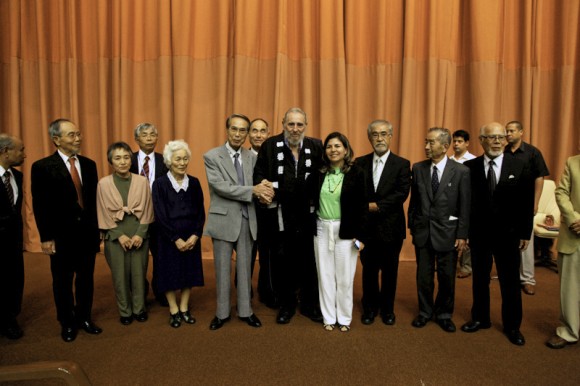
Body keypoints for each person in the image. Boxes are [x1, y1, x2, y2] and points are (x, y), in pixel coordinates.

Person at [461, 122, 533, 346]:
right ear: (481, 140)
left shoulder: (520, 165)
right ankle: (480, 318)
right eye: (491, 137)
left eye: (501, 137)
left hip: (509, 235)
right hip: (480, 234)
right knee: (480, 280)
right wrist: (465, 233)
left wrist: (525, 232)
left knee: (510, 282)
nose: (497, 141)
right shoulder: (469, 167)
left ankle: (513, 326)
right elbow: (466, 203)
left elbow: (526, 202)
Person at [31, 118, 102, 342]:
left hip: (87, 234)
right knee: (62, 281)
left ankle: (84, 317)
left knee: (86, 279)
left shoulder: (89, 164)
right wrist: (46, 237)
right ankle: (67, 322)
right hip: (61, 236)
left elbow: (93, 202)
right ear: (56, 139)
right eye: (71, 135)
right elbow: (40, 205)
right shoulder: (42, 167)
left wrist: (98, 230)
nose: (78, 138)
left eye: (78, 134)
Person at [254, 107, 324, 324]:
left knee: (308, 261)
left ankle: (310, 304)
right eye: (291, 124)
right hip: (281, 215)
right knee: (282, 261)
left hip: (308, 216)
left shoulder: (316, 146)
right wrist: (264, 190)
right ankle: (286, 305)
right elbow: (259, 176)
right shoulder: (269, 146)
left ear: (306, 125)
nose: (295, 129)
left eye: (299, 124)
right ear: (283, 123)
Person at [204, 114, 273, 330]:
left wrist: (266, 190)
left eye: (243, 130)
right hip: (224, 219)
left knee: (245, 270)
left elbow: (261, 181)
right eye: (234, 129)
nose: (238, 134)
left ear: (247, 134)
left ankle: (246, 311)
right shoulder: (212, 156)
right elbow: (221, 187)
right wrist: (253, 190)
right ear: (226, 130)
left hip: (247, 219)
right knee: (222, 269)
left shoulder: (253, 157)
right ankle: (222, 314)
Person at [408, 128, 471, 333]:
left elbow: (465, 205)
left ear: (445, 146)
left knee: (446, 277)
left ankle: (444, 314)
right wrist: (413, 226)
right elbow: (414, 202)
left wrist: (462, 234)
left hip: (448, 233)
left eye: (431, 142)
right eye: (426, 142)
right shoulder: (418, 168)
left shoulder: (461, 171)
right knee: (423, 277)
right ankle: (425, 312)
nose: (426, 146)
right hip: (423, 233)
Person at [308, 132, 367, 332]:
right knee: (324, 275)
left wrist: (361, 235)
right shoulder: (319, 172)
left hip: (346, 230)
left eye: (337, 146)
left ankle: (344, 318)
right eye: (329, 146)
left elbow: (362, 207)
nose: (333, 150)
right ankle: (328, 317)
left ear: (346, 149)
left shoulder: (357, 172)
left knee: (344, 277)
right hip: (322, 228)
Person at [354, 120, 411, 326]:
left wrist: (375, 206)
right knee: (368, 271)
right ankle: (369, 308)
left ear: (391, 136)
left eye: (384, 134)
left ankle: (387, 309)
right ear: (369, 138)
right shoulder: (359, 162)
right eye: (375, 134)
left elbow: (401, 194)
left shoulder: (402, 164)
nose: (379, 138)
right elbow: (355, 192)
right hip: (366, 229)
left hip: (391, 228)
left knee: (390, 272)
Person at [97, 142, 154, 325]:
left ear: (132, 159)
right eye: (117, 158)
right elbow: (102, 212)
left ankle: (139, 309)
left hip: (139, 235)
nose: (122, 162)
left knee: (139, 274)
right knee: (119, 277)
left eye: (126, 157)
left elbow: (147, 209)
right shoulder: (103, 184)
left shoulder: (142, 181)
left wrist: (140, 234)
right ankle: (125, 311)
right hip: (115, 237)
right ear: (110, 161)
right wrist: (119, 235)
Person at [152, 140, 205, 328]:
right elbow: (160, 215)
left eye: (185, 159)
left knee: (188, 273)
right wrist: (175, 238)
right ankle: (173, 310)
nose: (182, 163)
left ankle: (184, 308)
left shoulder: (195, 182)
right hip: (168, 238)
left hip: (191, 236)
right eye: (177, 159)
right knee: (168, 274)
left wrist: (195, 235)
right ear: (168, 161)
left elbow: (200, 212)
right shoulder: (159, 184)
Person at [504, 120, 549, 296]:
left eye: (512, 131)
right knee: (506, 241)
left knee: (526, 242)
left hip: (524, 205)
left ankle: (528, 279)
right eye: (507, 131)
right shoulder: (503, 152)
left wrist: (535, 202)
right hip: (505, 206)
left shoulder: (532, 153)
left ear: (521, 132)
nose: (508, 134)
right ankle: (509, 274)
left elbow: (539, 178)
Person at [129, 122, 169, 306]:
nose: (149, 138)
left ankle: (161, 292)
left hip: (159, 217)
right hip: (135, 218)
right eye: (144, 135)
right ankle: (139, 294)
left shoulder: (165, 160)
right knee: (137, 261)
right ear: (137, 139)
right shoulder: (127, 159)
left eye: (153, 134)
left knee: (161, 257)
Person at [545, 150, 580, 349]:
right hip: (573, 233)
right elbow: (561, 192)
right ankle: (568, 330)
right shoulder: (572, 162)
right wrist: (575, 218)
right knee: (570, 288)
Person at [247, 118, 277, 307]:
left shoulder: (274, 155)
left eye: (262, 131)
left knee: (268, 256)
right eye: (254, 131)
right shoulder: (240, 157)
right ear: (248, 134)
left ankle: (267, 292)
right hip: (246, 212)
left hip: (268, 214)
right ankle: (244, 293)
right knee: (246, 257)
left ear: (268, 133)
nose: (258, 135)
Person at [0, 134, 26, 340]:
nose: (24, 155)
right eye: (20, 150)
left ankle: (10, 318)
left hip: (14, 242)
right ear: (5, 151)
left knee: (14, 280)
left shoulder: (17, 176)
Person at [450, 129, 476, 279]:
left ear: (467, 143)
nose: (456, 144)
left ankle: (466, 266)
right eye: (455, 141)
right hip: (452, 204)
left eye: (460, 141)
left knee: (466, 235)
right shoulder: (448, 160)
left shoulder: (473, 161)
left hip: (468, 202)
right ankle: (450, 263)